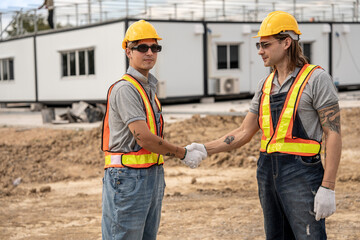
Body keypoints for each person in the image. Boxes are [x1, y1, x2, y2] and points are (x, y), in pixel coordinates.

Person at [189, 11, 341, 239]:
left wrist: (327, 186)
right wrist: (204, 149)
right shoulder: (265, 84)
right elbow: (244, 131)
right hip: (267, 170)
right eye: (259, 45)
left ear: (286, 42)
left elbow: (333, 133)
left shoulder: (316, 79)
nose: (259, 51)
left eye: (265, 45)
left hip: (302, 171)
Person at [101, 20, 206, 240]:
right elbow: (144, 137)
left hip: (150, 175)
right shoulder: (126, 89)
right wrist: (182, 153)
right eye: (142, 47)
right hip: (128, 177)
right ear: (128, 51)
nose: (150, 52)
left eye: (155, 47)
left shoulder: (148, 89)